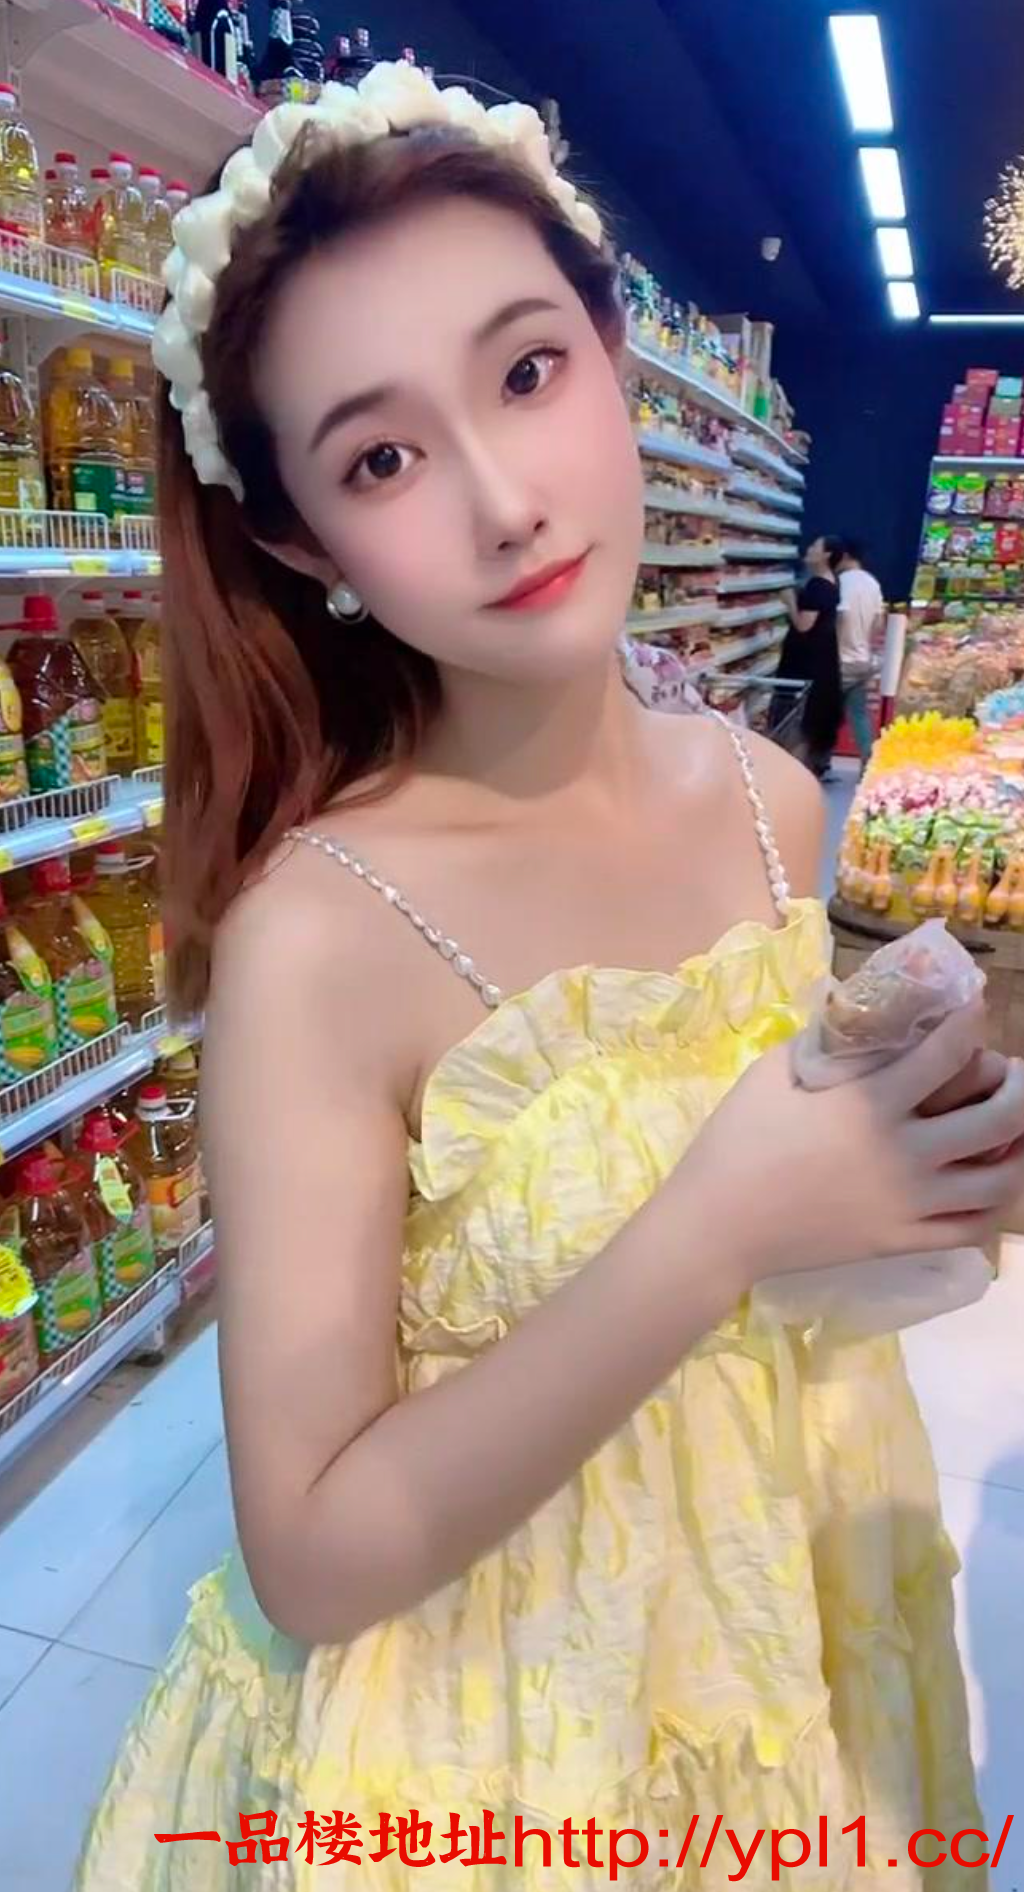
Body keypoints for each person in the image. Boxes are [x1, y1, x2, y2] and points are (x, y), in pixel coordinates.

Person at [77, 62, 1024, 1890]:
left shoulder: (767, 804)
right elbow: (310, 1551)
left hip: (785, 1631)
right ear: (300, 541)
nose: (505, 500)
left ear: (609, 349)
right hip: (499, 1734)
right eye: (381, 458)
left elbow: (803, 1284)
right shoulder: (320, 938)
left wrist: (930, 1166)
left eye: (524, 373)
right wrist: (719, 1219)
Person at [775, 534, 844, 779]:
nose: (810, 548)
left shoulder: (818, 586)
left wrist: (789, 602)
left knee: (798, 721)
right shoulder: (832, 582)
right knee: (810, 720)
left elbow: (804, 625)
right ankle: (804, 772)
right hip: (822, 661)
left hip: (805, 664)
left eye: (815, 546)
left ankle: (791, 775)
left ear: (826, 554)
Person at [837, 536, 885, 768]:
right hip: (862, 659)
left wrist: (834, 646)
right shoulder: (872, 582)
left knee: (821, 714)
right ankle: (868, 764)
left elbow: (842, 615)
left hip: (840, 659)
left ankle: (816, 764)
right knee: (859, 714)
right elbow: (878, 621)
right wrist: (864, 644)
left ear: (845, 556)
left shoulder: (843, 581)